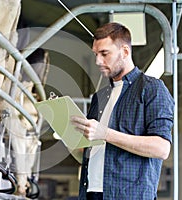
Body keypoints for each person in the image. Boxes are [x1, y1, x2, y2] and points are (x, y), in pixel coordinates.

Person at [70, 22, 174, 199]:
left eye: (104, 54)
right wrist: (71, 137)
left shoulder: (151, 89)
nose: (98, 61)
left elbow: (161, 148)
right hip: (92, 192)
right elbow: (90, 150)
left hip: (127, 194)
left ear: (125, 51)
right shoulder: (99, 97)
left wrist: (105, 133)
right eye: (96, 54)